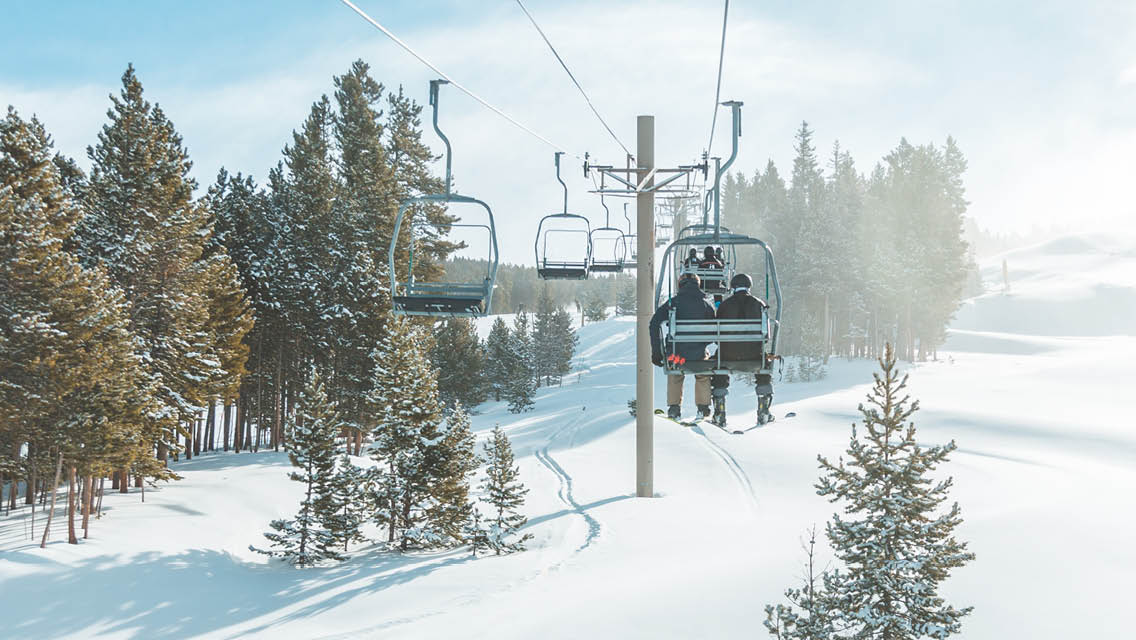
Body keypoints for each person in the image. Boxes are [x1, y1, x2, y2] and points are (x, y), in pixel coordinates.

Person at [710, 273, 774, 425]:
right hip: (754, 355)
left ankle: (719, 410)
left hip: (727, 355)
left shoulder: (725, 305)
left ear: (733, 287)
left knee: (719, 366)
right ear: (749, 286)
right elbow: (766, 336)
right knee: (764, 366)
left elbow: (716, 335)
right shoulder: (759, 304)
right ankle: (763, 408)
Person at [649, 273, 717, 419]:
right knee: (703, 373)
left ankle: (674, 407)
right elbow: (714, 330)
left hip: (677, 357)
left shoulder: (672, 303)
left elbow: (654, 324)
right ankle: (703, 407)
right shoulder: (706, 305)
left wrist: (657, 352)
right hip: (698, 357)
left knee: (675, 371)